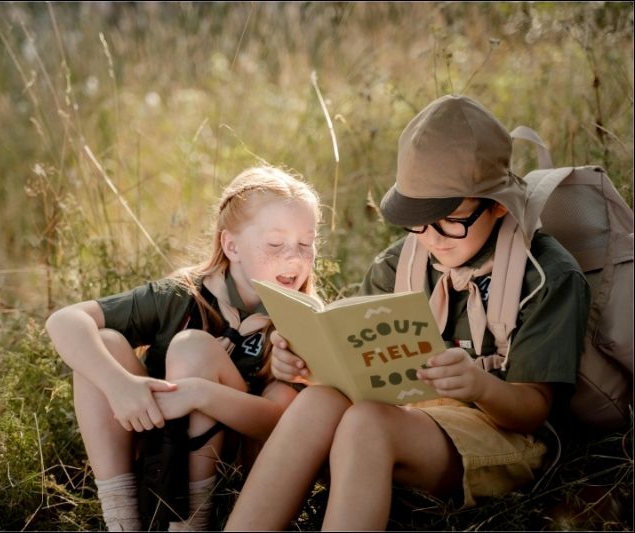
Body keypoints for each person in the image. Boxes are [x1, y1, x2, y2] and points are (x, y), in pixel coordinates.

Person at [224, 95, 591, 531]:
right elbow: (353, 360)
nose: (432, 238)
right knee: (318, 401)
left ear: (497, 204)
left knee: (367, 423)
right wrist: (302, 361)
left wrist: (480, 385)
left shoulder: (546, 275)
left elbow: (533, 411)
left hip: (498, 435)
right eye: (417, 221)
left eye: (451, 219)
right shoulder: (401, 264)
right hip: (408, 417)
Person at [45, 165, 321, 531]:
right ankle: (123, 520)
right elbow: (63, 321)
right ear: (231, 245)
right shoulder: (183, 295)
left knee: (193, 349)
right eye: (275, 243)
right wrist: (118, 385)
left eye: (306, 243)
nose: (294, 257)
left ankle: (193, 522)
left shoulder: (301, 319)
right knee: (105, 344)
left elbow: (277, 424)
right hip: (155, 437)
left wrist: (199, 394)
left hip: (234, 465)